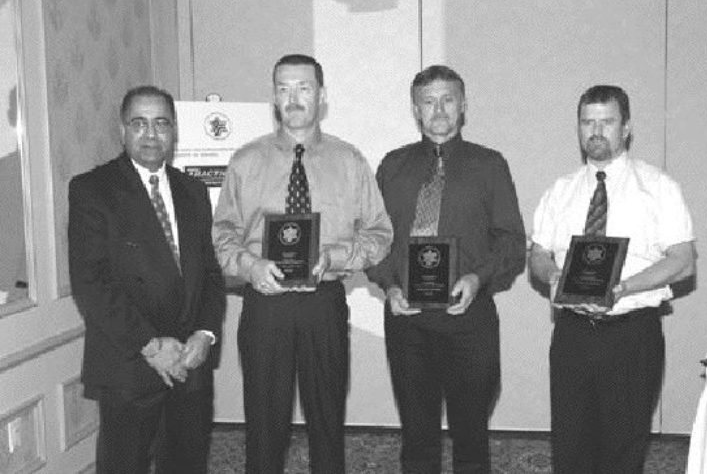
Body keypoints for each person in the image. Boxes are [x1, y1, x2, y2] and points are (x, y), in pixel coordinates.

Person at [212, 54, 393, 473]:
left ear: (322, 96)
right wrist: (250, 266)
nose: (293, 98)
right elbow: (221, 235)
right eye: (284, 88)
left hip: (323, 301)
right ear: (274, 97)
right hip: (264, 303)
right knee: (263, 423)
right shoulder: (245, 161)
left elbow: (381, 232)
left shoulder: (349, 161)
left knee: (327, 420)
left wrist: (336, 256)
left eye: (304, 88)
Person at [529, 85, 696, 473]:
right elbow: (537, 254)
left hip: (631, 335)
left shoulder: (658, 188)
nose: (596, 131)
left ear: (627, 128)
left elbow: (683, 261)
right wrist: (555, 275)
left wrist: (621, 288)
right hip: (572, 334)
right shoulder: (561, 191)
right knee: (570, 448)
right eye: (588, 122)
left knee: (622, 450)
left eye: (607, 121)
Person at [367, 65, 527, 473]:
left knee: (471, 436)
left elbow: (510, 241)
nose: (438, 109)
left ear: (463, 105)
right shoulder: (392, 166)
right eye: (428, 101)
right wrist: (388, 286)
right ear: (416, 111)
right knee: (417, 437)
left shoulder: (490, 165)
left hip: (468, 320)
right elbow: (373, 239)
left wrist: (477, 279)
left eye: (448, 99)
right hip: (408, 323)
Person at [68, 86, 225, 474]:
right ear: (122, 131)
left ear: (174, 132)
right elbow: (91, 283)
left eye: (161, 124)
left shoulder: (193, 190)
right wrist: (151, 346)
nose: (151, 135)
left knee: (186, 465)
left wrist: (205, 334)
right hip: (131, 363)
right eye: (139, 124)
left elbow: (209, 273)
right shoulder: (93, 189)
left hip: (190, 362)